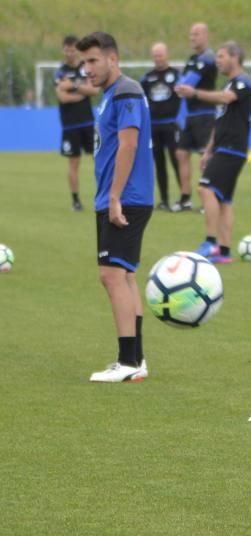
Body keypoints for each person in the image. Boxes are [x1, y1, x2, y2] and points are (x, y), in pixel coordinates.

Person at [78, 32, 155, 383]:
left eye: (93, 60)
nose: (86, 68)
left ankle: (127, 363)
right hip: (120, 195)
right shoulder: (112, 95)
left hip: (125, 197)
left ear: (113, 58)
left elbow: (129, 144)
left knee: (111, 275)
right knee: (123, 275)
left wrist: (114, 197)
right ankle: (136, 360)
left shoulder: (125, 92)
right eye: (84, 62)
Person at [176, 41, 251, 264]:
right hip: (223, 147)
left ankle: (210, 242)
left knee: (205, 189)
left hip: (233, 148)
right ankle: (225, 251)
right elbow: (220, 122)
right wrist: (208, 151)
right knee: (224, 200)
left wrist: (194, 93)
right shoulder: (230, 84)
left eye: (221, 56)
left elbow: (224, 99)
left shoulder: (243, 82)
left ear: (235, 58)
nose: (217, 60)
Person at [172, 22, 217, 213]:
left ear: (206, 36)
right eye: (191, 34)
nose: (193, 37)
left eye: (196, 34)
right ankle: (185, 198)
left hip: (205, 113)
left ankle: (210, 198)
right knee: (181, 153)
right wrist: (182, 87)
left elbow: (189, 82)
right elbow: (180, 86)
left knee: (205, 157)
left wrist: (183, 87)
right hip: (190, 115)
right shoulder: (192, 59)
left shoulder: (208, 57)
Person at [53, 35, 98, 212]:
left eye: (73, 50)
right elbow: (61, 97)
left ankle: (105, 195)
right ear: (63, 50)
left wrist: (72, 86)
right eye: (67, 50)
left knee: (99, 159)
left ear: (77, 51)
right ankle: (76, 200)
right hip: (70, 124)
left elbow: (94, 90)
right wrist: (81, 92)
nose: (70, 53)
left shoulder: (85, 68)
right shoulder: (59, 72)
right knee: (74, 163)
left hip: (88, 122)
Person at [140, 42, 182, 211]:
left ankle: (183, 197)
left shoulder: (176, 75)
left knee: (177, 161)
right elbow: (141, 101)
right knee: (159, 164)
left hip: (172, 125)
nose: (158, 58)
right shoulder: (147, 78)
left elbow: (184, 98)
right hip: (154, 127)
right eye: (155, 55)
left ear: (167, 55)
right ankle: (164, 200)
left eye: (160, 54)